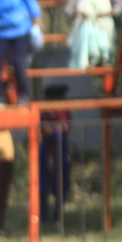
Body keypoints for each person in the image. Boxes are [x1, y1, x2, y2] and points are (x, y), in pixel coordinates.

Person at [63, 0, 122, 69]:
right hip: (85, 22)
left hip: (104, 20)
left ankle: (104, 59)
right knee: (86, 27)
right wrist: (79, 13)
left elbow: (120, 5)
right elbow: (67, 9)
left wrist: (108, 13)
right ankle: (88, 59)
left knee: (103, 27)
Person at [38, 84, 71, 224]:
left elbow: (61, 132)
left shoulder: (63, 112)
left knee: (60, 186)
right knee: (42, 187)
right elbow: (41, 129)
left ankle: (58, 218)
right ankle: (43, 218)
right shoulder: (44, 113)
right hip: (45, 152)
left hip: (60, 152)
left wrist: (49, 131)